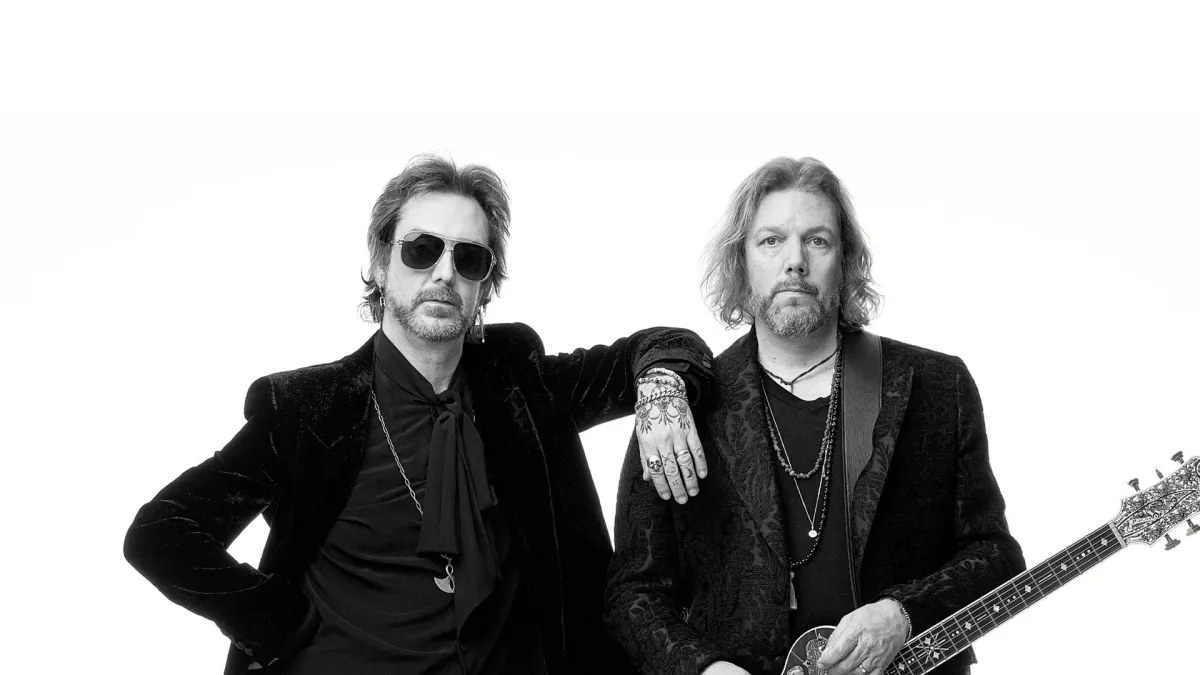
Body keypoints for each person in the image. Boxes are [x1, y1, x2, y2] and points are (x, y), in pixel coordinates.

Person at [124, 154, 713, 675]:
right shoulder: (306, 410)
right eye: (422, 249)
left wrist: (662, 390)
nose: (444, 272)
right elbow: (161, 533)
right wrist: (275, 620)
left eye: (470, 258)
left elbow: (663, 343)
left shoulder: (520, 382)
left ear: (485, 286)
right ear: (382, 264)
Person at [605, 157, 1025, 675]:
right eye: (771, 241)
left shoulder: (936, 387)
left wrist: (903, 613)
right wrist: (704, 670)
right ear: (741, 262)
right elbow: (633, 594)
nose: (795, 262)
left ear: (845, 261)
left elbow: (995, 553)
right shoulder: (676, 408)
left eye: (817, 241)